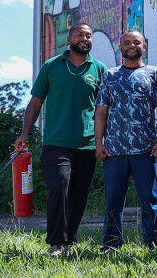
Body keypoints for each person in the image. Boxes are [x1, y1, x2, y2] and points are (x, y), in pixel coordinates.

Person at [15, 24, 107, 257]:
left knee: (78, 193)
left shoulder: (99, 69)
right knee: (59, 185)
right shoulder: (51, 66)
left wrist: (102, 141)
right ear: (70, 38)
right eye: (80, 35)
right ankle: (56, 242)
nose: (84, 39)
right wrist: (24, 133)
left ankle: (69, 241)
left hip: (86, 143)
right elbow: (35, 103)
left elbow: (103, 110)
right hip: (56, 142)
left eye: (88, 36)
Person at [94, 29, 157, 251]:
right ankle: (111, 245)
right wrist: (99, 143)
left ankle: (156, 243)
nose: (132, 45)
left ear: (145, 47)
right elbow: (101, 112)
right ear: (120, 48)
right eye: (127, 42)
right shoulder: (109, 75)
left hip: (146, 149)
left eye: (137, 42)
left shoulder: (155, 73)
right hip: (114, 150)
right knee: (113, 203)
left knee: (151, 201)